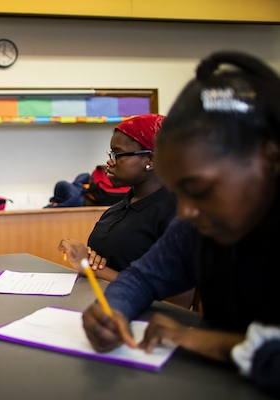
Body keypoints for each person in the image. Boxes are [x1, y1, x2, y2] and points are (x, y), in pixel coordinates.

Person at [81, 52, 280, 397]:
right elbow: (142, 277)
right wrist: (112, 310)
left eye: (200, 189)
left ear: (270, 159)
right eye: (177, 191)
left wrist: (202, 339)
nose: (185, 212)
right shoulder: (198, 227)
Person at [58, 114, 176, 282]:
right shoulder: (118, 209)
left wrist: (91, 268)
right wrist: (91, 261)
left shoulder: (176, 215)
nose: (109, 162)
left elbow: (175, 302)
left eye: (118, 154)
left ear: (150, 159)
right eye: (111, 153)